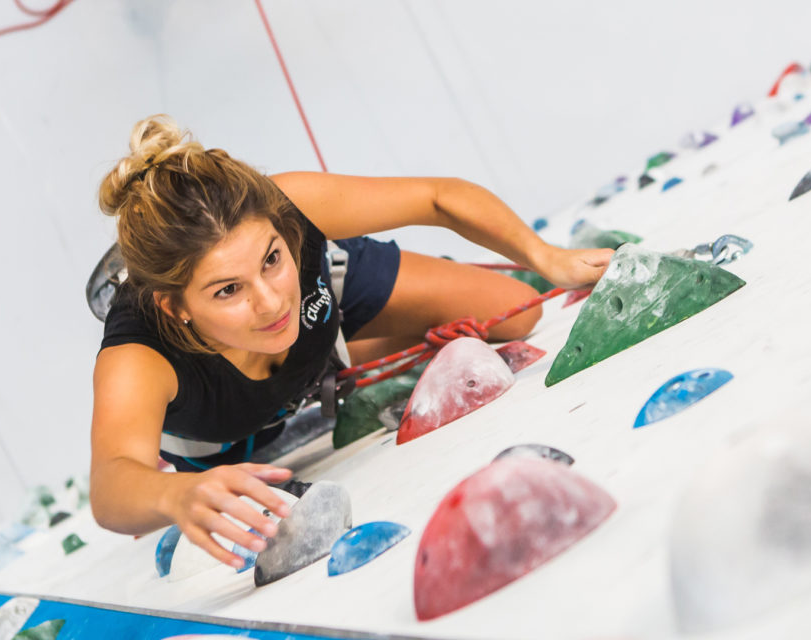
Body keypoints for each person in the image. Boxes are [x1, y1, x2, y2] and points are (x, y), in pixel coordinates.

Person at [90, 116, 613, 568]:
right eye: (228, 290)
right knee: (220, 478)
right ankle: (332, 357)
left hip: (319, 316)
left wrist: (546, 256)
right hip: (226, 440)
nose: (270, 302)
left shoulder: (286, 206)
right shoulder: (138, 354)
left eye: (271, 258)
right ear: (174, 307)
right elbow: (112, 486)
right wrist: (172, 494)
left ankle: (333, 354)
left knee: (516, 312)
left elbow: (437, 197)